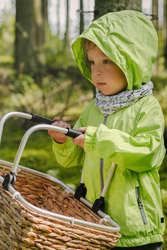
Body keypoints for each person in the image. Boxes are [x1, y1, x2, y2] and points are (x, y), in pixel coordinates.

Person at [48, 10, 165, 249]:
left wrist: (98, 139)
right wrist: (63, 141)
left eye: (106, 61)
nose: (96, 71)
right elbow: (72, 159)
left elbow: (148, 153)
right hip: (96, 224)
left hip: (136, 230)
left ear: (131, 62)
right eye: (92, 62)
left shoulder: (146, 106)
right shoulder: (94, 107)